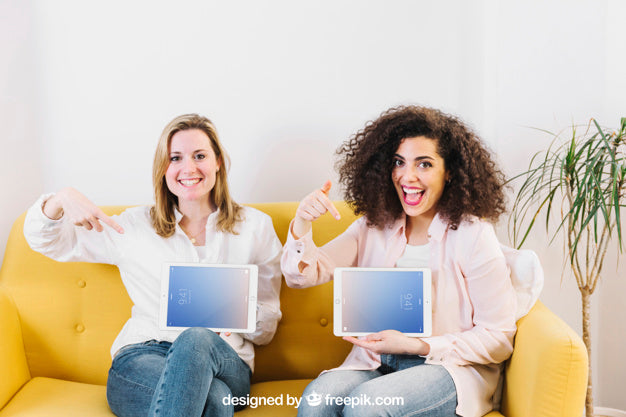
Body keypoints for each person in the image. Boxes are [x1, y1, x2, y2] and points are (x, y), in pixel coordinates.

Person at [23, 114, 283, 417]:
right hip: (144, 356)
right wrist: (61, 199)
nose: (189, 168)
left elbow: (267, 329)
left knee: (197, 337)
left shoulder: (255, 227)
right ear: (163, 168)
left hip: (225, 360)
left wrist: (231, 312)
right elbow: (48, 242)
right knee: (212, 402)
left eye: (200, 156)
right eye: (175, 158)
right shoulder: (133, 227)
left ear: (218, 162)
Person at [281, 105, 518, 417]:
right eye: (399, 162)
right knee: (317, 401)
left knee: (366, 406)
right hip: (375, 362)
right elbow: (303, 276)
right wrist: (301, 225)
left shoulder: (474, 236)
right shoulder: (373, 226)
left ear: (449, 172)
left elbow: (498, 338)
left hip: (447, 367)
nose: (408, 176)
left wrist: (418, 346)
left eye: (424, 164)